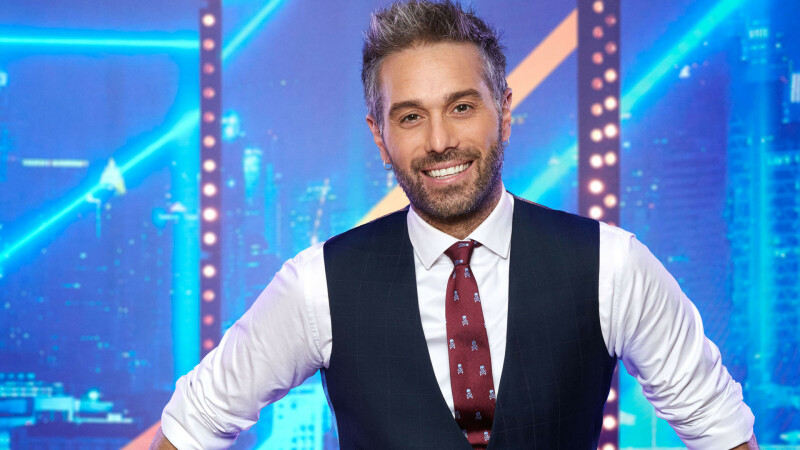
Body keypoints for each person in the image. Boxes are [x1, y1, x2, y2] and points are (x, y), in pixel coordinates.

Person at [152, 1, 758, 448]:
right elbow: (192, 423)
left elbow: (720, 427)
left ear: (504, 112)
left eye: (462, 107)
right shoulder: (317, 286)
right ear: (380, 137)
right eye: (410, 117)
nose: (440, 141)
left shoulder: (613, 266)